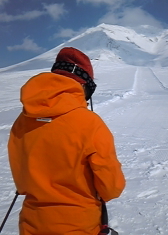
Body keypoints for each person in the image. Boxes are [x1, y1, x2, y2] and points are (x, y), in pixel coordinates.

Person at [8, 47, 125, 235]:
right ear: (85, 86)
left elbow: (21, 181)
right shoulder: (90, 123)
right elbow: (111, 188)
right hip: (79, 226)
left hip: (31, 224)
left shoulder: (22, 121)